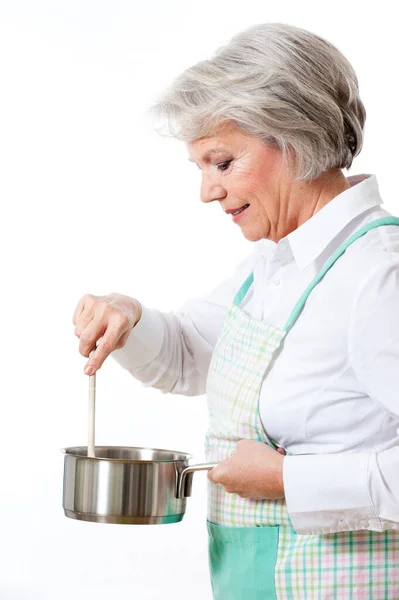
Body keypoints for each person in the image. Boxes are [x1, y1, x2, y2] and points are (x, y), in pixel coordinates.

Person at [72, 22, 399, 599]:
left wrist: (291, 481)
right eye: (199, 167)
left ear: (293, 139)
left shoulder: (379, 275)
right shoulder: (278, 262)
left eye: (222, 163)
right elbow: (187, 359)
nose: (206, 192)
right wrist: (129, 319)